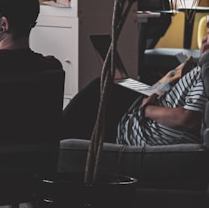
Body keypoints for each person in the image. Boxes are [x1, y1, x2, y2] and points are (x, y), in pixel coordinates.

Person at [62, 31, 209, 146]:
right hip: (144, 112)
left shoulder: (206, 73)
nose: (206, 37)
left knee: (98, 91)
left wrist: (147, 109)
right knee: (110, 84)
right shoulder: (203, 68)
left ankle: (53, 143)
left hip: (136, 128)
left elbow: (189, 119)